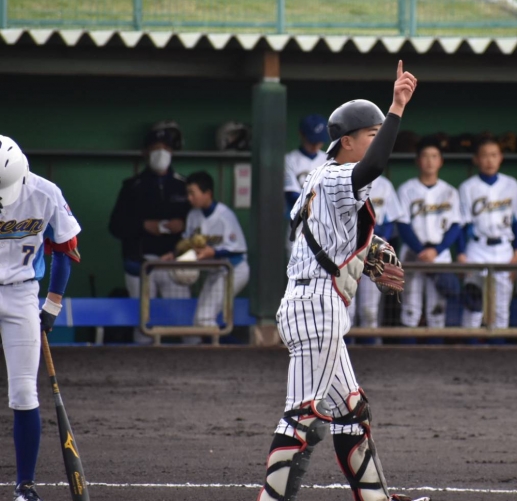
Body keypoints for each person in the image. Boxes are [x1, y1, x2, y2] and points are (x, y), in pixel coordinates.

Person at [259, 62, 428, 501]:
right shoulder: (336, 175)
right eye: (371, 133)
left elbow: (326, 235)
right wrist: (396, 108)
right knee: (302, 415)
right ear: (346, 142)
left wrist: (366, 251)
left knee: (352, 411)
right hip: (316, 306)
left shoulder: (319, 178)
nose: (378, 138)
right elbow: (374, 166)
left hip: (316, 301)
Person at [0, 136, 81, 501]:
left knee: (23, 392)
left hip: (21, 293)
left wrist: (52, 305)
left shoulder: (45, 193)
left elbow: (65, 249)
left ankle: (25, 487)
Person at [108, 121, 191, 300]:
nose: (161, 153)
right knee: (142, 316)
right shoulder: (132, 186)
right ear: (145, 152)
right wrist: (143, 226)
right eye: (155, 148)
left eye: (166, 148)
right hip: (140, 263)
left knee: (178, 314)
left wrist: (183, 224)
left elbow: (198, 223)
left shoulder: (183, 186)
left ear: (172, 152)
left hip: (175, 262)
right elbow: (115, 226)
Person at [162, 171, 249, 340]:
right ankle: (220, 350)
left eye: (192, 193)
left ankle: (224, 353)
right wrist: (174, 254)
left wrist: (214, 252)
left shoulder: (225, 215)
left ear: (207, 193)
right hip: (216, 272)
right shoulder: (193, 215)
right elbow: (187, 243)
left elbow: (238, 249)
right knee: (199, 320)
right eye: (188, 193)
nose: (189, 198)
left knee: (204, 318)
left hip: (234, 270)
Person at [457, 136, 517, 332]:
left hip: (504, 248)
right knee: (473, 306)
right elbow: (461, 225)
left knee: (501, 308)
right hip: (477, 248)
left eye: (494, 155)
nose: (489, 160)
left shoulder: (511, 184)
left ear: (500, 158)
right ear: (476, 159)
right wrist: (461, 253)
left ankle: (498, 349)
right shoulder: (467, 187)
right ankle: (470, 347)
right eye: (485, 156)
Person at [396, 137, 463, 332]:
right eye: (425, 156)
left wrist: (437, 250)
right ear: (418, 161)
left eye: (434, 156)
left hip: (439, 254)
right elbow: (403, 224)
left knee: (437, 311)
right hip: (413, 253)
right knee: (410, 310)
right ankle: (407, 350)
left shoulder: (450, 192)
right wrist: (421, 251)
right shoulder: (406, 189)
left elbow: (455, 226)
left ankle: (436, 351)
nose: (430, 161)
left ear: (441, 161)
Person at [347, 174, 406, 338]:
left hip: (372, 251)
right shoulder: (341, 179)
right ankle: (345, 349)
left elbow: (390, 221)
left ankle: (369, 349)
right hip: (347, 250)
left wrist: (377, 238)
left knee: (369, 310)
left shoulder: (384, 185)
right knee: (346, 310)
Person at [284, 114, 329, 253]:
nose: (315, 144)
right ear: (301, 135)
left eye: (319, 140)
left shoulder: (329, 160)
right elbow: (292, 195)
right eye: (312, 140)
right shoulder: (289, 160)